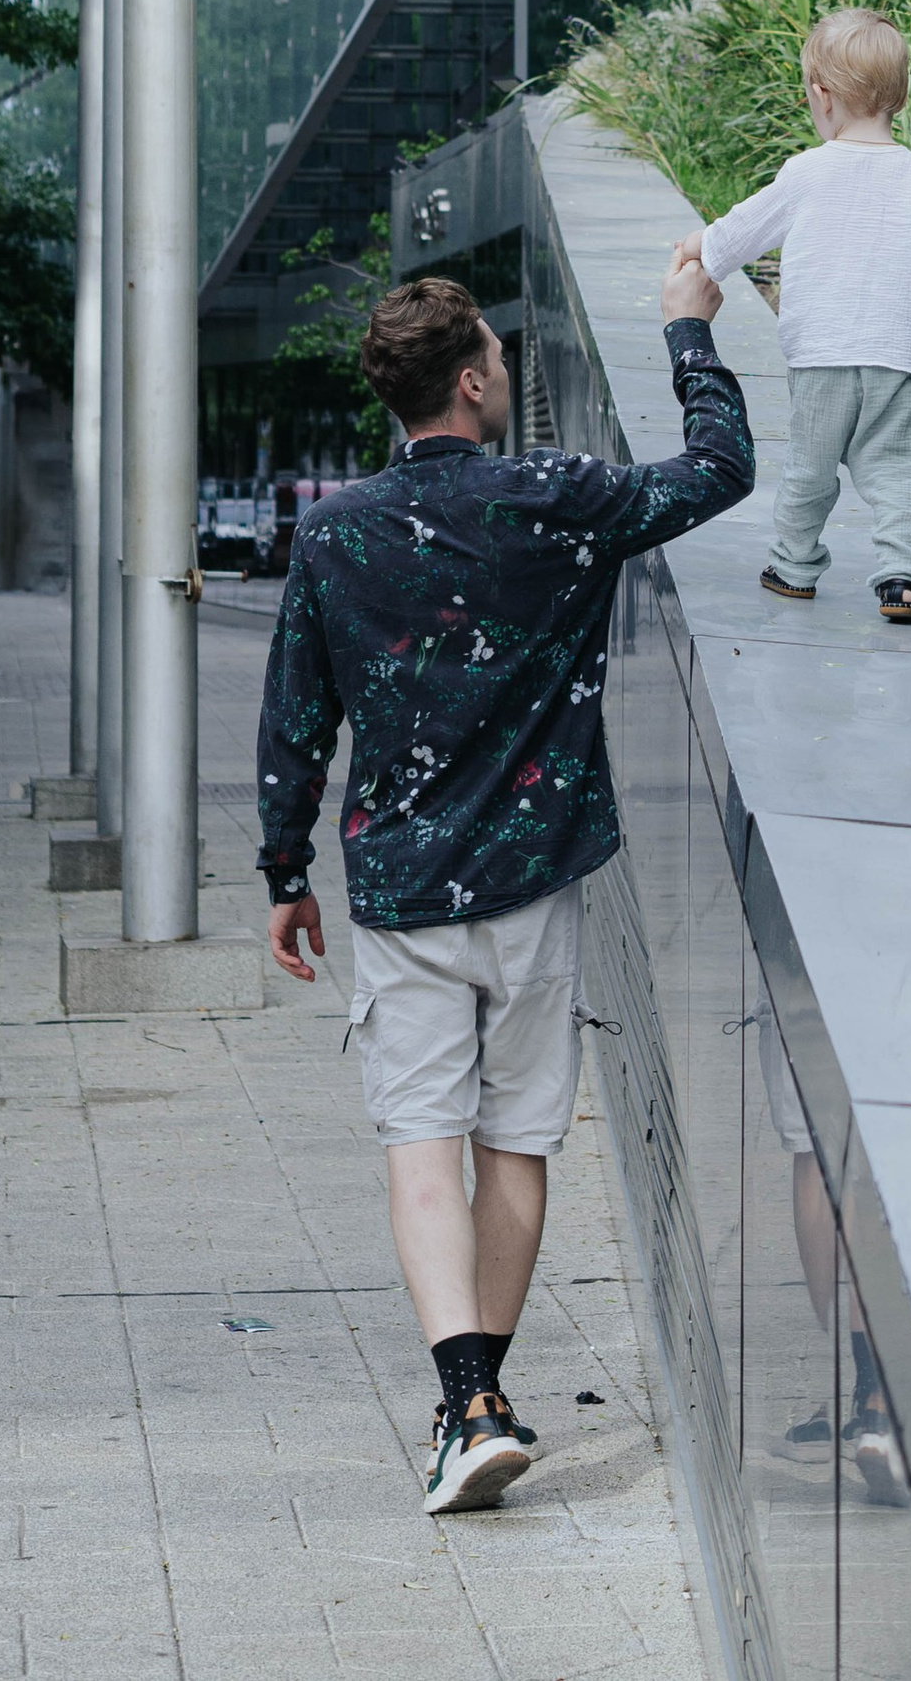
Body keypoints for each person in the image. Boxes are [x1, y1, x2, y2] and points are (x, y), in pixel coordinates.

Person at [257, 248, 751, 1514]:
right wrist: (689, 331)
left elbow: (295, 720)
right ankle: (478, 1405)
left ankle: (465, 1403)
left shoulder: (332, 531)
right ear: (476, 378)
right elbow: (717, 472)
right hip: (533, 886)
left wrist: (281, 869)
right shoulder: (560, 496)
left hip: (402, 895)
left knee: (419, 1143)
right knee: (516, 1146)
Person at [694, 4, 911, 625]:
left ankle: (793, 566)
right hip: (897, 359)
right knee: (905, 471)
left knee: (810, 470)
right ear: (899, 95)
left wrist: (698, 252)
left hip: (821, 359)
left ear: (822, 94)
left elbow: (744, 229)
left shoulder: (806, 171)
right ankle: (903, 578)